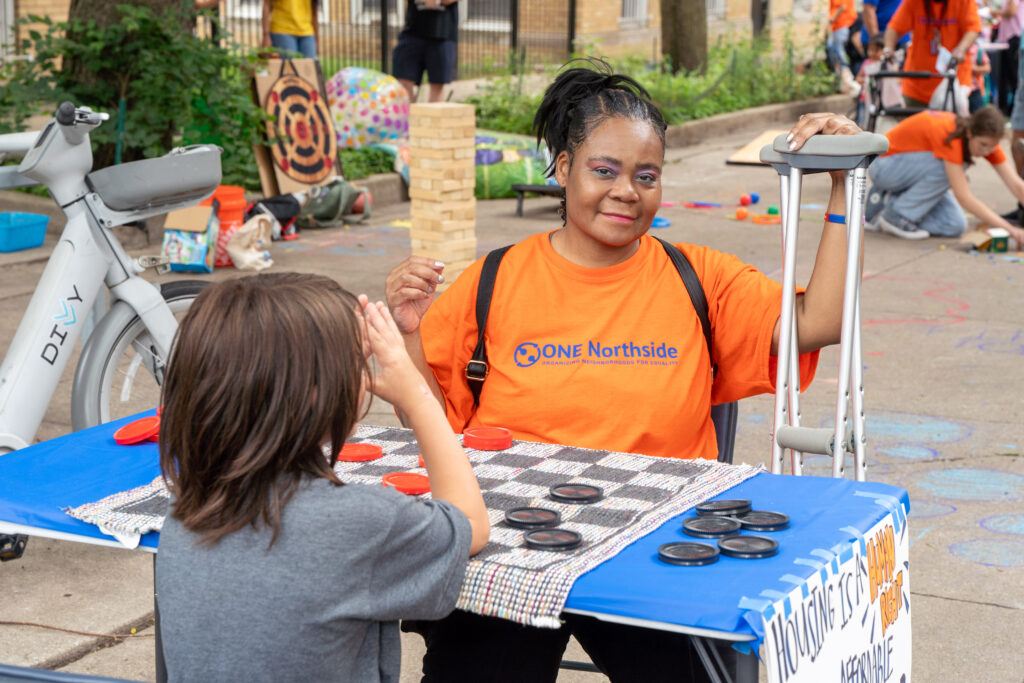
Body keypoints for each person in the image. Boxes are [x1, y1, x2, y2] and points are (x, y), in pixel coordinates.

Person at [386, 60, 864, 682]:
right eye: (603, 170)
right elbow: (427, 420)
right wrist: (406, 336)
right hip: (510, 539)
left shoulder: (700, 277)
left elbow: (821, 321)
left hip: (657, 544)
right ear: (562, 169)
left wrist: (839, 186)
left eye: (646, 175)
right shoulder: (492, 279)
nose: (626, 191)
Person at [155, 272, 489, 682]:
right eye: (355, 361)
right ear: (318, 394)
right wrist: (417, 396)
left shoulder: (184, 508)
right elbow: (470, 524)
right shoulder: (362, 521)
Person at [864, 107, 1024, 243]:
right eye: (983, 145)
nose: (986, 151)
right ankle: (896, 215)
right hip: (883, 167)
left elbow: (1016, 185)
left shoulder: (985, 141)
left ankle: (884, 206)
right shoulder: (951, 137)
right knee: (948, 168)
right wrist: (1011, 230)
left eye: (992, 147)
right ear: (969, 132)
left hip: (907, 172)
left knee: (955, 224)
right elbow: (964, 196)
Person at [884, 0, 981, 109]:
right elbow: (894, 28)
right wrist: (888, 48)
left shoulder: (964, 2)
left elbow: (973, 29)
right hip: (916, 88)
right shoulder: (914, 2)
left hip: (953, 85)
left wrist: (961, 49)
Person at [392, 0, 459, 103]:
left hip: (443, 33)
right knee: (403, 82)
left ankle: (433, 118)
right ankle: (409, 117)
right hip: (413, 29)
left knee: (437, 85)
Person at [988, 0, 1021, 115]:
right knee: (1005, 75)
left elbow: (1011, 12)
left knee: (1013, 77)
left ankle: (1013, 110)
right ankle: (1005, 108)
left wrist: (994, 12)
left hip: (1014, 39)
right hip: (1007, 40)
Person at [829, 0, 860, 93]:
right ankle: (845, 81)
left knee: (839, 54)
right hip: (840, 25)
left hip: (841, 24)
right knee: (836, 52)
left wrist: (831, 20)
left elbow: (842, 6)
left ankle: (848, 81)